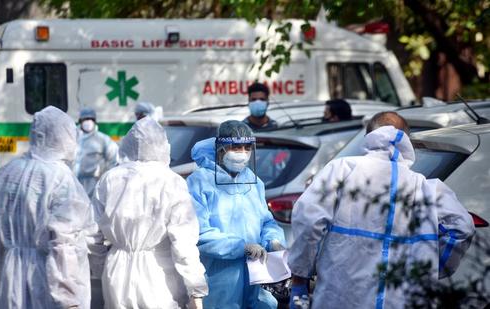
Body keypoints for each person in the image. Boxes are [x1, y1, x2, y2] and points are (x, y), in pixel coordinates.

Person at [287, 111, 475, 309]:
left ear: (368, 136)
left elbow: (308, 220)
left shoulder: (342, 169)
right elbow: (462, 228)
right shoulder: (426, 187)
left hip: (339, 299)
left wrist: (300, 280)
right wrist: (431, 267)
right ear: (406, 140)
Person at [89, 117, 208, 309]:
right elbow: (184, 243)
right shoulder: (171, 181)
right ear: (163, 146)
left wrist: (99, 267)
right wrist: (195, 289)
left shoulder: (109, 179)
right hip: (158, 274)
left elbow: (91, 234)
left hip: (116, 272)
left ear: (126, 145)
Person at [0, 106, 96, 308]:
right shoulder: (61, 178)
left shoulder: (8, 172)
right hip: (45, 278)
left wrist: (8, 267)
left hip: (11, 275)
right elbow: (64, 246)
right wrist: (68, 298)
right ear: (63, 136)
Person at [187, 120, 286, 308]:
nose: (242, 153)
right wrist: (241, 246)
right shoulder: (200, 182)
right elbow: (199, 233)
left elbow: (266, 221)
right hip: (220, 279)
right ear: (221, 149)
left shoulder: (253, 181)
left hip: (257, 276)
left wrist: (272, 240)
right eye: (236, 147)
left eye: (247, 147)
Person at [74, 107, 119, 198]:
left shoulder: (102, 139)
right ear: (80, 121)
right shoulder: (73, 138)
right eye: (85, 119)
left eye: (91, 119)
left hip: (94, 184)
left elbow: (114, 160)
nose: (88, 122)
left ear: (95, 121)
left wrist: (106, 179)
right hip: (74, 183)